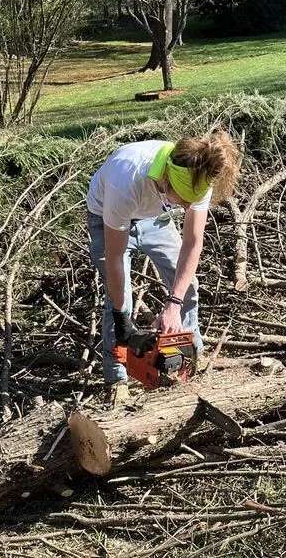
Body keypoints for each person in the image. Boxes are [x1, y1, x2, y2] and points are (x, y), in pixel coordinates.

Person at [87, 131, 240, 405]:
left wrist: (173, 304)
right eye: (181, 200)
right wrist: (125, 323)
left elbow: (192, 245)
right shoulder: (127, 180)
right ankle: (117, 379)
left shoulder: (197, 175)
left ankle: (189, 353)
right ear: (164, 179)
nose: (185, 206)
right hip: (108, 217)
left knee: (187, 285)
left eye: (188, 203)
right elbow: (114, 259)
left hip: (155, 218)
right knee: (118, 298)